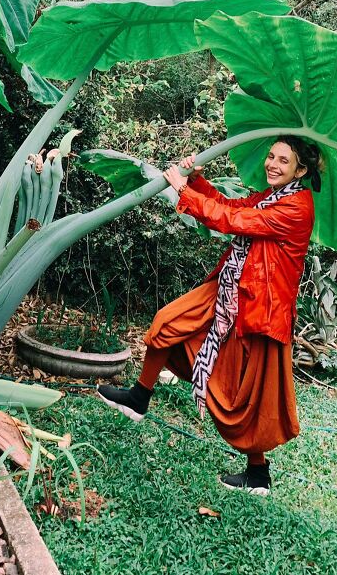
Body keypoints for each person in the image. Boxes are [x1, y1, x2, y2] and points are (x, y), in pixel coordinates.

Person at [97, 135, 323, 495]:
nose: (273, 165)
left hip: (258, 306)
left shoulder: (296, 208)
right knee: (167, 323)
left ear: (301, 170)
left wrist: (183, 193)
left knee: (245, 394)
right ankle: (139, 397)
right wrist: (198, 182)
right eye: (271, 156)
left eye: (284, 160)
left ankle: (258, 474)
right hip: (229, 287)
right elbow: (230, 204)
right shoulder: (272, 197)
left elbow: (233, 220)